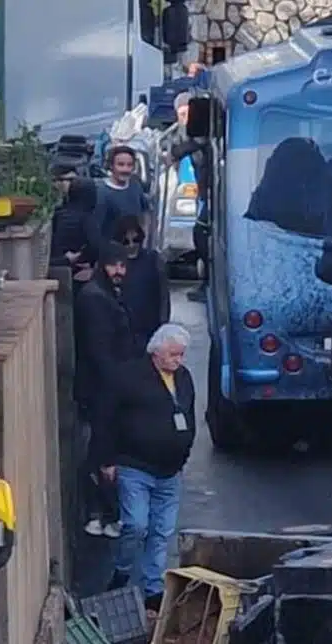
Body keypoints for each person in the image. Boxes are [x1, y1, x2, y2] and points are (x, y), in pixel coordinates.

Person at [95, 324, 197, 610]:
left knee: (162, 531)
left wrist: (184, 451)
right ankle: (123, 569)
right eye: (174, 354)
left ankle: (153, 586)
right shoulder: (129, 377)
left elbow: (188, 413)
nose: (179, 360)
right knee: (137, 525)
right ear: (157, 353)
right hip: (135, 465)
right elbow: (107, 419)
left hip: (171, 469)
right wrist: (107, 460)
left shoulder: (184, 378)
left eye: (181, 354)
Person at [74, 242, 146, 538]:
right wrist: (121, 384)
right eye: (115, 265)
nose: (120, 271)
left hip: (105, 386)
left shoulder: (102, 295)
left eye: (123, 266)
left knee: (104, 451)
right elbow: (99, 350)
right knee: (103, 453)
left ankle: (102, 514)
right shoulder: (95, 299)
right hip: (102, 388)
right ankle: (99, 512)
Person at [164, 93, 210, 304]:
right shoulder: (179, 131)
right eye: (181, 114)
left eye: (188, 114)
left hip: (212, 190)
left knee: (202, 233)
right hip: (205, 190)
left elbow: (197, 143)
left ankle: (207, 282)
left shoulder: (201, 131)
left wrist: (176, 153)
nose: (185, 119)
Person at [113, 215, 170, 346]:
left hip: (150, 329)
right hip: (124, 331)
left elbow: (163, 295)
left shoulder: (153, 260)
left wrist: (163, 326)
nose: (132, 245)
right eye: (126, 242)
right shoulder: (115, 264)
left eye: (135, 240)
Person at [95, 145, 150, 241]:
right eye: (121, 164)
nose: (125, 169)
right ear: (111, 166)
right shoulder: (100, 191)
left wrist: (145, 233)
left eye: (129, 165)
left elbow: (145, 211)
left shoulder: (135, 185)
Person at [49, 176, 100, 279]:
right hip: (76, 269)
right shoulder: (87, 218)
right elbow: (95, 245)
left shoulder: (58, 214)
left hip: (54, 265)